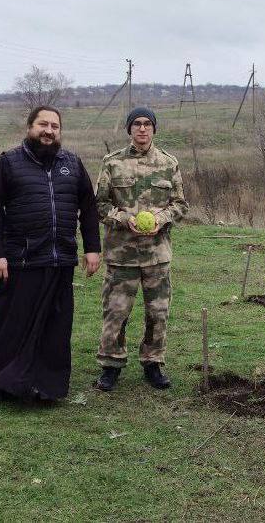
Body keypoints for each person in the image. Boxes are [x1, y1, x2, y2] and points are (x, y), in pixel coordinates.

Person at [0, 105, 101, 403]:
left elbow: (88, 207)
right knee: (11, 326)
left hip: (61, 260)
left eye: (54, 126)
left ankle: (47, 389)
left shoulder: (72, 164)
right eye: (42, 125)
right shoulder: (8, 163)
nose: (48, 131)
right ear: (30, 127)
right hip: (20, 260)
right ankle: (1, 386)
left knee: (55, 329)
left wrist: (93, 248)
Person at [94, 107, 188, 391]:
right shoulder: (112, 163)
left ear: (154, 129)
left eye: (148, 124)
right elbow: (99, 205)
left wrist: (160, 219)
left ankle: (153, 363)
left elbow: (180, 205)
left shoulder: (169, 164)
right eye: (137, 124)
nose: (142, 129)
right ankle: (111, 365)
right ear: (129, 129)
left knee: (157, 312)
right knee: (116, 311)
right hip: (122, 255)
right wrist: (124, 219)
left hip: (156, 256)